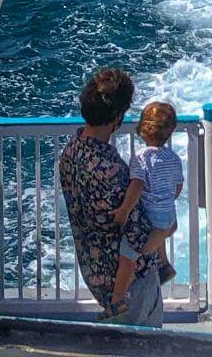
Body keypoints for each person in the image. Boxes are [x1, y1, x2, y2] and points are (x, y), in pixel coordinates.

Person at [58, 68, 163, 327]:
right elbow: (139, 235)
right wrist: (166, 226)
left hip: (97, 276)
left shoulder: (70, 153)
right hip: (129, 285)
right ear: (117, 117)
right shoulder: (111, 171)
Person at [105, 101, 184, 318]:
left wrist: (123, 211)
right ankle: (165, 264)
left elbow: (136, 187)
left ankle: (116, 301)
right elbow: (177, 187)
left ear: (143, 129)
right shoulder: (174, 158)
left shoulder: (140, 158)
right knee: (160, 234)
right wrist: (165, 200)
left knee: (127, 258)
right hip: (168, 216)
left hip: (150, 218)